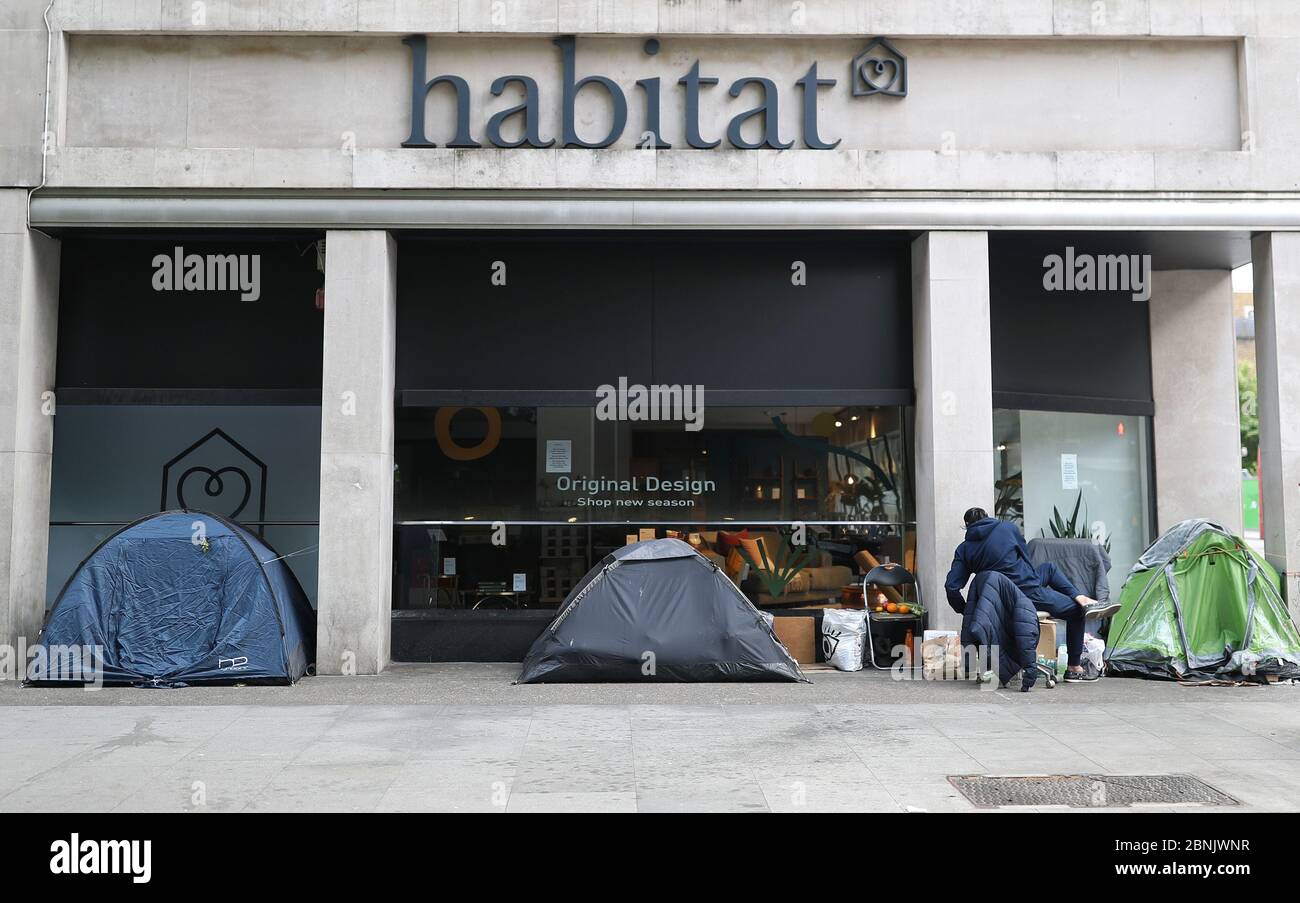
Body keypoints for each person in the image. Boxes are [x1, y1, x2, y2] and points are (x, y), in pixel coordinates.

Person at [945, 507, 1121, 682]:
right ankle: (1074, 667)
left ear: (967, 526)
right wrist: (1029, 580)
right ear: (988, 518)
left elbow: (951, 588)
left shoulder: (964, 549)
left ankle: (1080, 597)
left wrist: (972, 609)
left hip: (997, 600)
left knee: (1049, 569)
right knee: (1076, 612)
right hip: (1027, 591)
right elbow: (1025, 557)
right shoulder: (1008, 528)